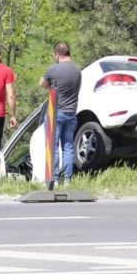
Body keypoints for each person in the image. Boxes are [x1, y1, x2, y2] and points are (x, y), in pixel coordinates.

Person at [39, 41, 82, 186]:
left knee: (52, 146)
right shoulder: (77, 71)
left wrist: (51, 87)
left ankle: (55, 179)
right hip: (71, 113)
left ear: (57, 55)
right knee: (68, 146)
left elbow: (41, 84)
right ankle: (68, 180)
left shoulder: (53, 70)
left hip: (55, 113)